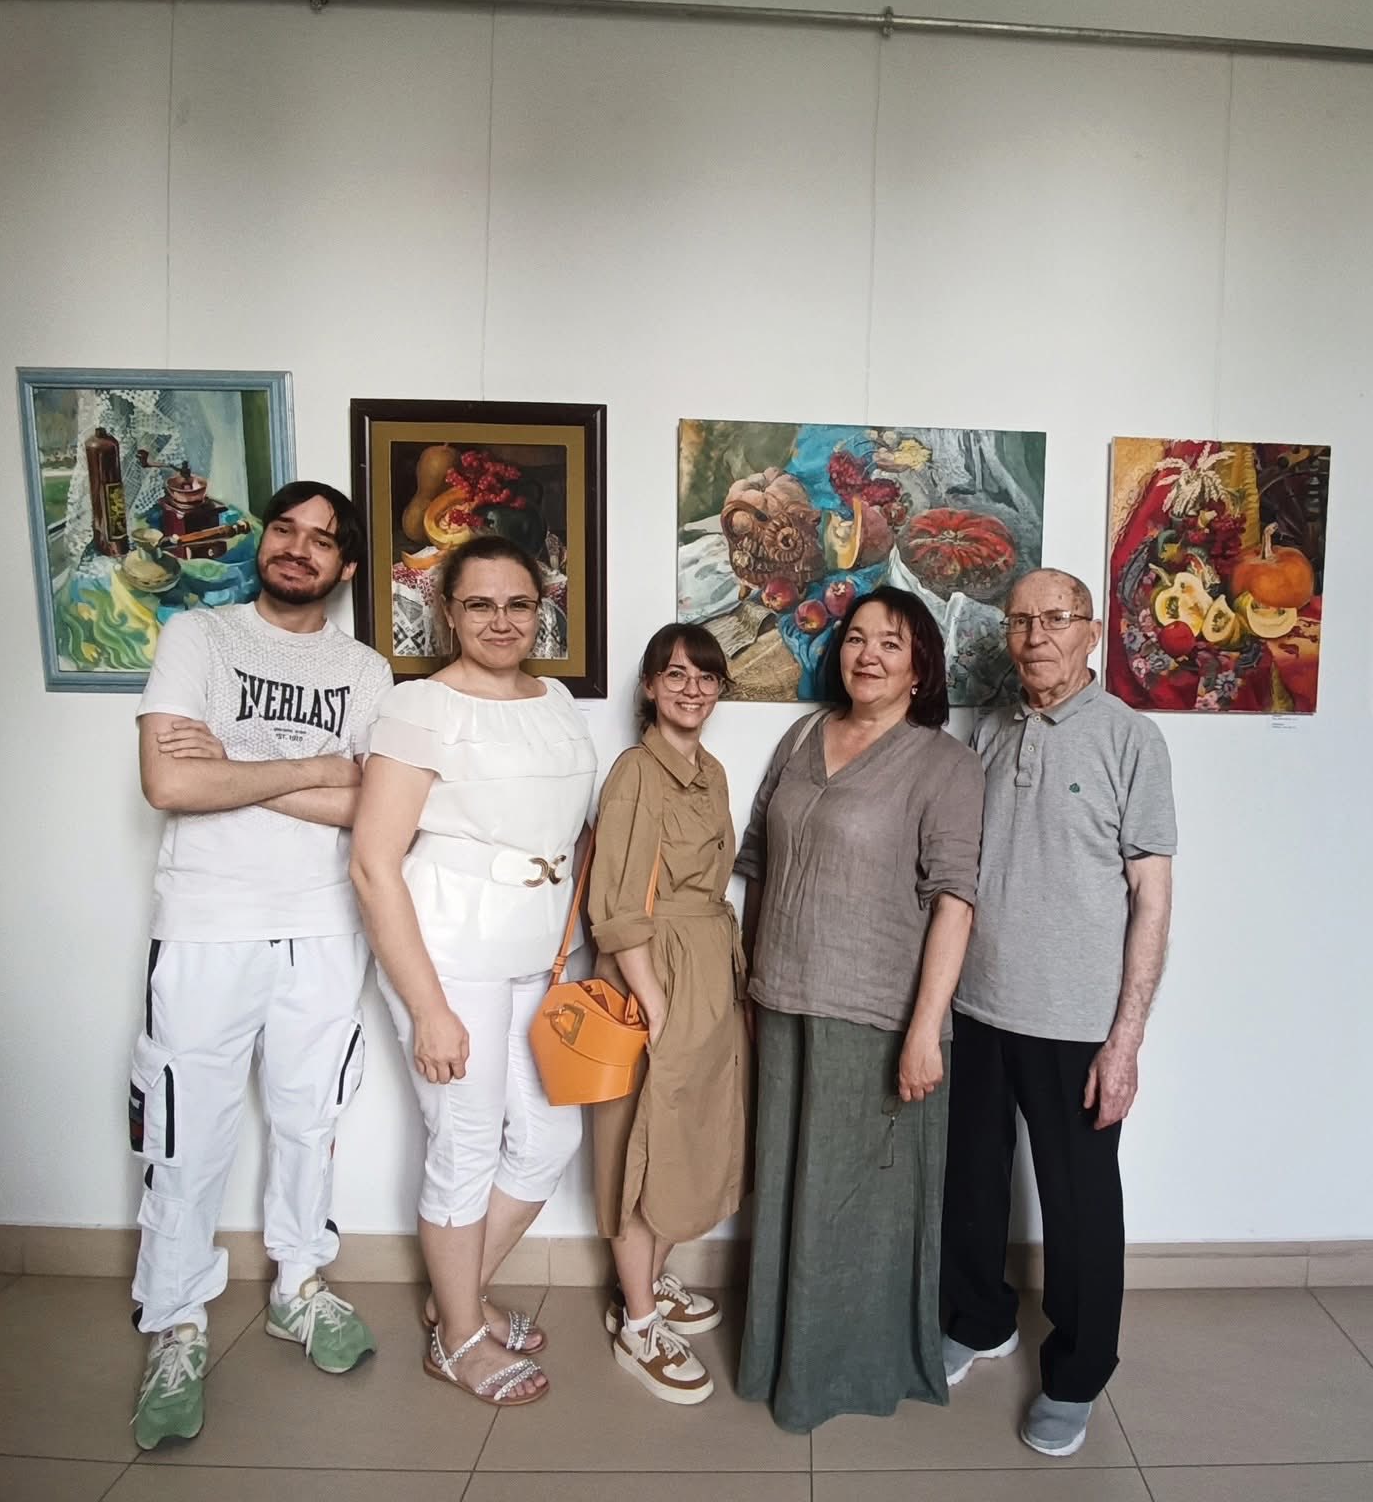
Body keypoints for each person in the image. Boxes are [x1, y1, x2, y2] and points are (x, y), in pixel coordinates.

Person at [128, 480, 393, 1451]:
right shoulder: (197, 636)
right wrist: (315, 767)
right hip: (207, 922)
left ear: (345, 565)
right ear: (264, 540)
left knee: (309, 1119)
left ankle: (299, 1286)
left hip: (324, 923)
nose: (297, 548)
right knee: (183, 1133)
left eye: (321, 539)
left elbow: (376, 807)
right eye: (285, 529)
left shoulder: (364, 670)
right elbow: (168, 781)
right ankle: (175, 1323)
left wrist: (232, 769)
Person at [350, 534, 596, 1409]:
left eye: (518, 603)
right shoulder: (420, 706)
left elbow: (571, 837)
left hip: (540, 959)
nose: (501, 620)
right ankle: (457, 1338)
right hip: (450, 958)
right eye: (480, 604)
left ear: (541, 610)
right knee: (463, 1146)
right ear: (447, 612)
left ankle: (453, 1296)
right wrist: (429, 1008)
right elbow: (374, 864)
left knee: (550, 1140)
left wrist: (576, 955)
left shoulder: (555, 699)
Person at [734, 586, 985, 1432]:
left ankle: (850, 1370)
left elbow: (956, 901)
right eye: (856, 638)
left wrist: (925, 1033)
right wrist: (751, 981)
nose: (868, 655)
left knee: (860, 1203)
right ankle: (779, 1358)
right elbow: (761, 866)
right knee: (787, 1191)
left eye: (891, 643)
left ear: (920, 668)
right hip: (783, 1002)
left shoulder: (945, 765)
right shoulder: (802, 737)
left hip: (877, 1012)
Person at [940, 568, 1176, 1458]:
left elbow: (1152, 899)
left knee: (1080, 1209)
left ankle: (1077, 1375)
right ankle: (979, 1320)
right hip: (977, 1005)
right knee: (971, 1185)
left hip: (1077, 1022)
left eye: (1056, 619)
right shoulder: (989, 728)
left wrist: (1126, 1039)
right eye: (1020, 621)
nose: (1035, 636)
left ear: (1091, 632)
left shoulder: (1131, 739)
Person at [587, 624, 749, 1405]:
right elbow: (617, 908)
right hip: (656, 975)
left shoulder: (710, 771)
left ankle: (648, 1283)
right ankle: (639, 1325)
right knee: (639, 1149)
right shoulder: (634, 773)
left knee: (684, 1140)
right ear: (650, 686)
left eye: (706, 677)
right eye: (675, 675)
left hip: (709, 970)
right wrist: (657, 1008)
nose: (692, 690)